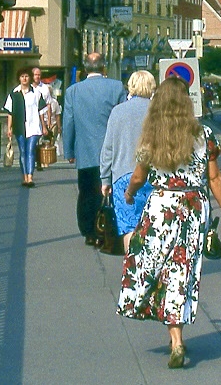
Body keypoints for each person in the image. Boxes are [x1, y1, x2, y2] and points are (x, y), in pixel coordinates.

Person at [116, 77, 221, 369]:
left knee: (149, 265)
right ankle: (177, 339)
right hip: (194, 208)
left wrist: (129, 193)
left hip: (161, 206)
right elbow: (214, 177)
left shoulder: (152, 136)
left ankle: (174, 339)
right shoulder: (204, 134)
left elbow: (138, 176)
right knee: (182, 271)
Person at [63, 53, 127, 246]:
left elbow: (68, 123)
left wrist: (69, 151)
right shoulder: (116, 87)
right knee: (111, 192)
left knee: (87, 193)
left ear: (85, 68)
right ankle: (110, 228)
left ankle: (89, 231)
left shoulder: (73, 91)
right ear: (103, 67)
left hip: (85, 151)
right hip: (113, 152)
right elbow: (122, 119)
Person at [100, 70, 157, 252]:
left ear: (131, 87)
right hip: (154, 177)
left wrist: (105, 179)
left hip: (123, 176)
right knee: (154, 226)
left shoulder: (118, 111)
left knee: (129, 226)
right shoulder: (158, 111)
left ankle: (132, 263)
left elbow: (108, 148)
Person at [4, 67, 48, 187]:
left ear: (30, 78)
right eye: (22, 76)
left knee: (30, 151)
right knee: (23, 151)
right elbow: (10, 113)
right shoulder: (14, 94)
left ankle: (30, 177)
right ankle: (24, 176)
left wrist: (44, 126)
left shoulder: (36, 93)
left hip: (34, 126)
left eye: (26, 76)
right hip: (19, 127)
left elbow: (41, 111)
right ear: (19, 78)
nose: (24, 79)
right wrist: (9, 128)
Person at [31, 67, 54, 171]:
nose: (38, 77)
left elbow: (48, 104)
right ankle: (32, 161)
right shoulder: (28, 88)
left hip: (42, 118)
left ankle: (39, 161)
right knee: (33, 141)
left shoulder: (44, 88)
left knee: (40, 141)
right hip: (31, 119)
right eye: (36, 75)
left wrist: (49, 120)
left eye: (39, 75)